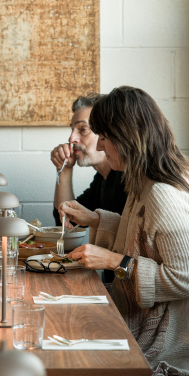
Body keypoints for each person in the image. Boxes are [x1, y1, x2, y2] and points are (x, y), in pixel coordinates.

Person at [61, 86, 189, 376]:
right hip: (150, 320)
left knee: (59, 349)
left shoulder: (163, 193)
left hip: (172, 345)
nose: (100, 146)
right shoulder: (147, 178)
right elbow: (143, 233)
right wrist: (96, 219)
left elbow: (185, 279)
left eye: (105, 136)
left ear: (127, 137)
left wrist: (114, 261)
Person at [51, 93, 128, 283]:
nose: (71, 138)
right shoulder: (101, 179)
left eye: (83, 129)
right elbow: (66, 220)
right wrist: (65, 169)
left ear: (107, 133)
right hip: (116, 288)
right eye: (72, 130)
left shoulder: (129, 179)